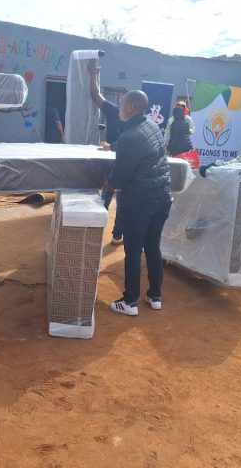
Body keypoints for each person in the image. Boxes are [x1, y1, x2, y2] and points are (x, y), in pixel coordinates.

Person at [102, 90, 172, 317]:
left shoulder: (129, 137)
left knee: (132, 252)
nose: (119, 108)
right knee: (152, 246)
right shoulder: (152, 126)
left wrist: (105, 186)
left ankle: (129, 301)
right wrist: (113, 147)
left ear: (131, 107)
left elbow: (119, 177)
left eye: (122, 103)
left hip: (140, 202)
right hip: (162, 197)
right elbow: (143, 151)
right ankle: (155, 295)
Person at [88, 61, 124, 244]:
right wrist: (93, 74)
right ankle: (117, 235)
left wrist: (93, 74)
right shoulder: (134, 119)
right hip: (124, 160)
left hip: (112, 157)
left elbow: (96, 95)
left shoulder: (114, 110)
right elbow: (96, 95)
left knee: (109, 190)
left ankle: (96, 232)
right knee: (121, 196)